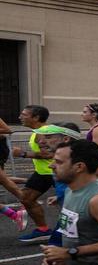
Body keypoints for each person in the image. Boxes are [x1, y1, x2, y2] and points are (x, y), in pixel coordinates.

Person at [11, 104, 56, 243]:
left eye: (24, 115)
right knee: (26, 198)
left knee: (72, 203)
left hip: (51, 172)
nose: (20, 117)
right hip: (43, 172)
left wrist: (23, 154)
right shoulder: (39, 131)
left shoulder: (43, 132)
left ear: (36, 117)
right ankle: (43, 230)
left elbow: (50, 154)